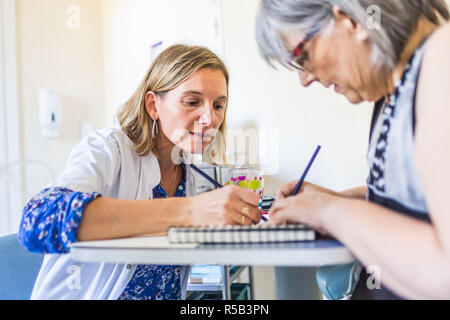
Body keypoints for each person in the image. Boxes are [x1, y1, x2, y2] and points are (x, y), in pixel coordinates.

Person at [18, 44, 262, 300]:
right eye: (192, 102)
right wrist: (189, 210)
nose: (210, 119)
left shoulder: (192, 173)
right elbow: (38, 221)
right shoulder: (107, 149)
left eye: (218, 105)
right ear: (153, 105)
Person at [256, 0, 450, 299]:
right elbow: (417, 201)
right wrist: (328, 202)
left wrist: (329, 211)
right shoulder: (390, 90)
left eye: (302, 56)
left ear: (351, 19)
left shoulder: (442, 59)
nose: (305, 79)